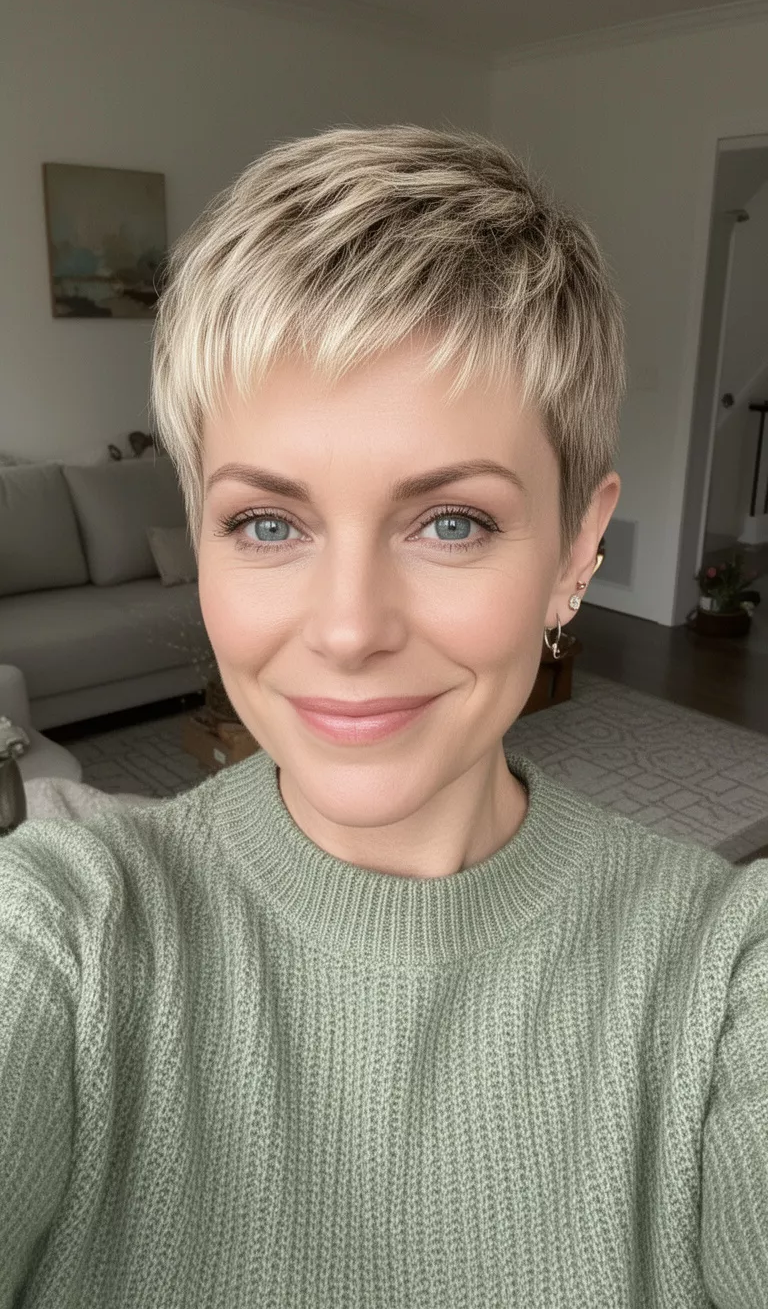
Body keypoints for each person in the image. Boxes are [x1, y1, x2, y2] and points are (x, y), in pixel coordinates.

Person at [1, 125, 766, 1308]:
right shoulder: (66, 936)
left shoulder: (723, 980)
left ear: (576, 549)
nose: (348, 629)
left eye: (451, 521)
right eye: (268, 524)